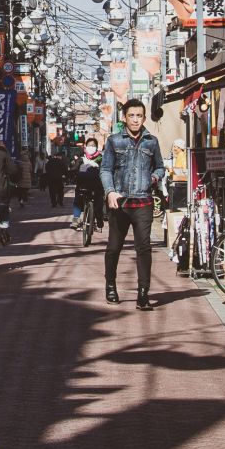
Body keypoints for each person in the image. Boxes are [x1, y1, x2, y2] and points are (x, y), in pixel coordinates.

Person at [100, 99, 165, 310]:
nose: (135, 120)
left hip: (143, 201)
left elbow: (160, 167)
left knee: (144, 248)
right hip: (119, 202)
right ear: (124, 118)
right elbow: (106, 169)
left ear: (144, 118)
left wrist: (153, 178)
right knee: (113, 248)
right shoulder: (113, 141)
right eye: (131, 116)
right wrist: (110, 192)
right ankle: (111, 285)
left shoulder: (151, 142)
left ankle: (143, 294)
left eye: (139, 116)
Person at [71, 138, 105, 232]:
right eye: (89, 145)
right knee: (78, 199)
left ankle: (98, 220)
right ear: (86, 146)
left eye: (93, 145)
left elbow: (106, 169)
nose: (91, 147)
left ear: (97, 147)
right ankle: (76, 219)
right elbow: (74, 168)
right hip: (83, 185)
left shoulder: (101, 159)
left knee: (99, 202)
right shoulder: (81, 158)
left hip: (97, 185)